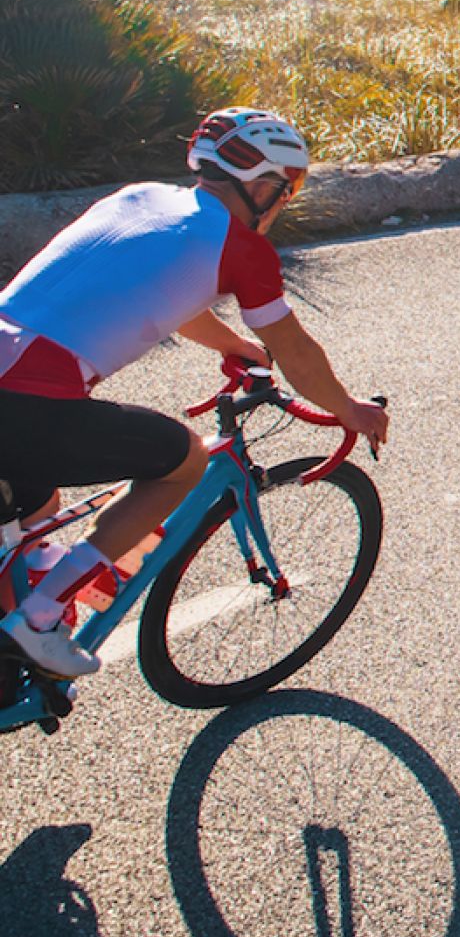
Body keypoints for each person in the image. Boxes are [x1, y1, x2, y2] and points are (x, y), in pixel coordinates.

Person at [0, 109, 391, 679]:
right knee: (183, 461)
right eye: (289, 189)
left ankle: (23, 598)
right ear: (261, 187)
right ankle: (38, 620)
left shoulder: (140, 199)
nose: (286, 203)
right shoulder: (243, 249)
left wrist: (235, 346)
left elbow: (172, 297)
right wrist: (351, 410)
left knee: (37, 508)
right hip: (28, 397)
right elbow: (299, 354)